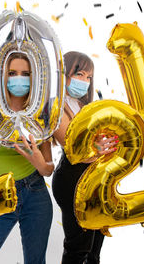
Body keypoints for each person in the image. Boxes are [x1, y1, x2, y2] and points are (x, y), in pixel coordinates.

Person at [0, 52, 54, 264]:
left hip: (35, 194)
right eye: (13, 73)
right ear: (3, 74)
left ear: (34, 77)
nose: (19, 79)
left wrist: (39, 162)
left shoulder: (40, 112)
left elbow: (48, 168)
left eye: (25, 74)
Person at [51, 51, 118, 264]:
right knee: (78, 246)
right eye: (79, 74)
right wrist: (97, 149)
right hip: (72, 180)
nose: (85, 82)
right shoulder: (57, 108)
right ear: (65, 74)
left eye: (89, 77)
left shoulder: (83, 106)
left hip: (92, 179)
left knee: (94, 247)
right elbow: (73, 149)